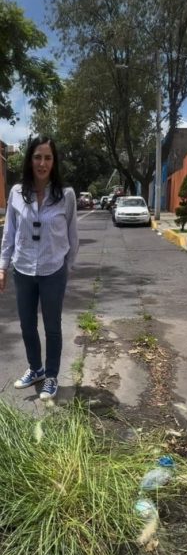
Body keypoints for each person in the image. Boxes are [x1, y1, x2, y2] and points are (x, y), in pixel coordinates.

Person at [0, 136, 79, 401]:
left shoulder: (65, 196)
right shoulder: (16, 193)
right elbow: (9, 233)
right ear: (29, 160)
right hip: (22, 269)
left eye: (47, 157)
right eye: (37, 157)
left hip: (53, 271)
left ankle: (52, 376)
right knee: (26, 325)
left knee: (52, 326)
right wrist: (2, 266)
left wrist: (66, 267)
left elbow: (72, 236)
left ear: (54, 162)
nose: (42, 163)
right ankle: (36, 369)